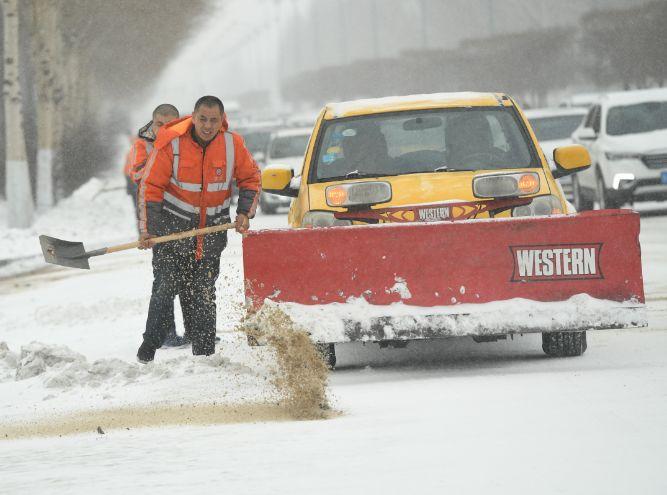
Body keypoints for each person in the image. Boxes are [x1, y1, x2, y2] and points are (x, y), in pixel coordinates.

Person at [136, 95, 261, 363]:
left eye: (213, 120)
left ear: (222, 120)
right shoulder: (172, 143)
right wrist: (148, 230)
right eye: (202, 119)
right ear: (193, 117)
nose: (207, 125)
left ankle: (204, 352)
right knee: (165, 287)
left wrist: (243, 213)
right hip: (172, 230)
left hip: (212, 233)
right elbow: (151, 187)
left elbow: (251, 178)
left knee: (203, 291)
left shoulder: (232, 144)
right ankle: (149, 348)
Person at [129, 104, 187, 348]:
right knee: (164, 278)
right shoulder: (143, 144)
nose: (164, 129)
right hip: (159, 217)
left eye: (170, 124)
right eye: (160, 124)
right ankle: (166, 333)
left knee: (190, 277)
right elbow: (139, 175)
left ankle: (197, 330)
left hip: (186, 216)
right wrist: (162, 156)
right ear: (153, 123)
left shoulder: (186, 139)